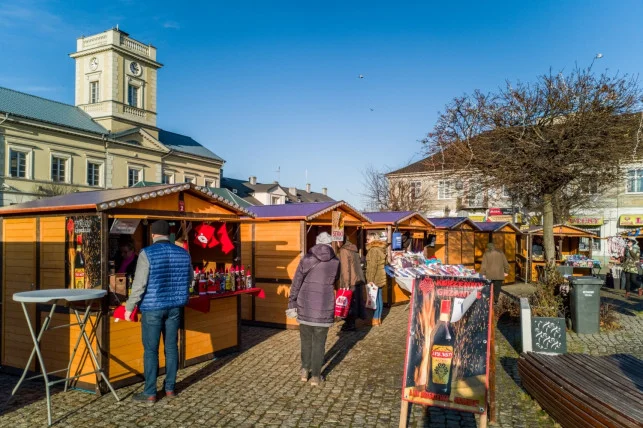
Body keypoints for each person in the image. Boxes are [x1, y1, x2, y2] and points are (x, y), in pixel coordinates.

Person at [124, 220, 193, 403]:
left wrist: (129, 307)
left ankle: (150, 393)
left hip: (153, 308)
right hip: (175, 308)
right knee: (171, 348)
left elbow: (139, 285)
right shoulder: (183, 253)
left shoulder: (147, 253)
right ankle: (170, 388)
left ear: (153, 234)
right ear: (168, 234)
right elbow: (190, 279)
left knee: (151, 350)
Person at [288, 232, 339, 386]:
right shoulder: (335, 262)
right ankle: (316, 376)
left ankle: (304, 370)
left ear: (317, 243)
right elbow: (336, 279)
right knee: (319, 342)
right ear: (330, 244)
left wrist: (292, 302)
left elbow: (297, 281)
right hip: (325, 305)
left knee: (305, 340)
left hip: (306, 305)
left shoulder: (307, 259)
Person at [337, 238, 366, 331]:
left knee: (349, 303)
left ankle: (350, 324)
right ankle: (351, 322)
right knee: (354, 302)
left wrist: (345, 284)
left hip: (350, 281)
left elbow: (345, 269)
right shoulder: (353, 249)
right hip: (357, 279)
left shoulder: (344, 250)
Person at [365, 232, 387, 326]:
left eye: (368, 239)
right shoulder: (381, 249)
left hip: (375, 278)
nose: (367, 241)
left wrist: (370, 280)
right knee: (379, 298)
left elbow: (372, 267)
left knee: (375, 299)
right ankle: (378, 319)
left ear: (373, 239)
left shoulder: (373, 250)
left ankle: (375, 319)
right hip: (381, 276)